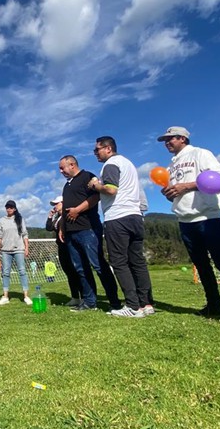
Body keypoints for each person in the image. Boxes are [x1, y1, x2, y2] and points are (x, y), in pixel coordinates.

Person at [158, 126, 220, 325]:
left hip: (208, 217)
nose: (167, 143)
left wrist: (187, 186)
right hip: (185, 219)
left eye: (170, 139)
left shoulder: (201, 153)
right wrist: (170, 193)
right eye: (165, 140)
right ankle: (214, 305)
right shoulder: (171, 166)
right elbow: (176, 189)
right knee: (201, 266)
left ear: (182, 138)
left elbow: (219, 178)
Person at [90, 136, 154, 318]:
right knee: (137, 261)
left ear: (108, 148)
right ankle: (146, 303)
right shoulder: (129, 164)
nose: (95, 153)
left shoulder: (111, 164)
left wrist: (95, 185)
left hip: (118, 217)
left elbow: (111, 189)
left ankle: (133, 306)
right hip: (135, 216)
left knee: (119, 261)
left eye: (97, 150)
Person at [59, 154, 121, 312]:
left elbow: (96, 196)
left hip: (88, 229)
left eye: (62, 167)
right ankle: (89, 302)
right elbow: (65, 209)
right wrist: (63, 228)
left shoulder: (88, 176)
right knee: (80, 268)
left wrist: (78, 210)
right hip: (71, 233)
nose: (60, 171)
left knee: (98, 265)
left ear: (72, 165)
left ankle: (114, 301)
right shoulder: (67, 186)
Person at [45, 196, 84, 306]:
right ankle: (75, 297)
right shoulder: (57, 218)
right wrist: (50, 216)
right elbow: (48, 228)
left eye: (57, 204)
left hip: (71, 246)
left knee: (77, 271)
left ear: (63, 203)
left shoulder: (69, 215)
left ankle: (84, 297)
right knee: (69, 272)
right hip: (61, 247)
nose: (55, 207)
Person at [0, 200, 32, 305]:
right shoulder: (2, 220)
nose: (9, 209)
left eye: (11, 207)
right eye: (7, 207)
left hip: (19, 249)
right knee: (5, 273)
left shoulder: (20, 219)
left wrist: (26, 248)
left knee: (22, 271)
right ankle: (5, 296)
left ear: (14, 208)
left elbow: (25, 234)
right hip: (5, 250)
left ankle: (26, 296)